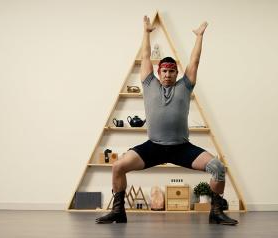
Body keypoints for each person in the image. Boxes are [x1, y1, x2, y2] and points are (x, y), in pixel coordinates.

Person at [96, 15, 238, 225]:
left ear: (176, 72)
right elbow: (145, 56)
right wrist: (146, 33)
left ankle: (216, 212)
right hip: (153, 146)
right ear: (158, 71)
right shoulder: (149, 84)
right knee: (118, 166)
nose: (168, 75)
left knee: (217, 167)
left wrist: (199, 37)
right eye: (165, 71)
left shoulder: (185, 86)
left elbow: (195, 61)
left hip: (181, 148)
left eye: (172, 71)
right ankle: (118, 211)